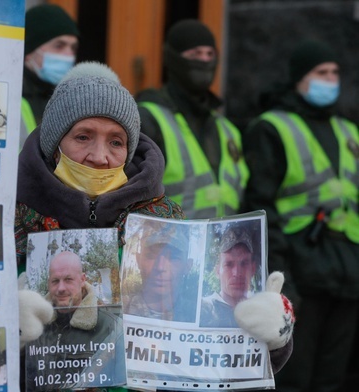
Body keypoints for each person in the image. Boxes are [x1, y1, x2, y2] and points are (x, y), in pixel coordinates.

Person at [15, 61, 293, 390]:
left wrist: (273, 336)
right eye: (83, 136)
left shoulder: (165, 221)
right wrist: (4, 330)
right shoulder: (8, 221)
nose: (100, 156)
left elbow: (218, 356)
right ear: (53, 145)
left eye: (116, 142)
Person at [242, 39, 359, 392]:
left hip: (347, 273)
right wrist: (281, 278)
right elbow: (262, 207)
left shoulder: (349, 131)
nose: (330, 79)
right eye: (320, 72)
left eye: (335, 72)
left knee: (334, 379)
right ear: (299, 78)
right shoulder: (271, 128)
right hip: (301, 273)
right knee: (293, 377)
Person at [136, 19, 248, 219]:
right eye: (195, 54)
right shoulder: (149, 118)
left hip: (224, 245)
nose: (204, 60)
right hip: (169, 246)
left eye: (209, 54)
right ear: (173, 58)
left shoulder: (227, 128)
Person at [25, 251, 125, 389]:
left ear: (83, 279)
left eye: (68, 279)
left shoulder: (111, 327)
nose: (61, 288)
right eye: (55, 281)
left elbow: (122, 386)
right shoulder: (34, 327)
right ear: (48, 282)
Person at [19, 4, 80, 148]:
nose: (68, 55)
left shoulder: (72, 99)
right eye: (59, 46)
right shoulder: (9, 95)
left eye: (73, 47)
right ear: (29, 52)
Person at [123, 223, 198, 322]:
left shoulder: (202, 315)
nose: (160, 267)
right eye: (151, 256)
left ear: (188, 266)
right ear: (138, 260)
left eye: (173, 257)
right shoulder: (121, 309)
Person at [200, 227, 258, 328]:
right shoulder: (202, 309)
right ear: (217, 271)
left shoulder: (262, 311)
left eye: (244, 263)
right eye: (229, 264)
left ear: (253, 269)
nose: (237, 273)